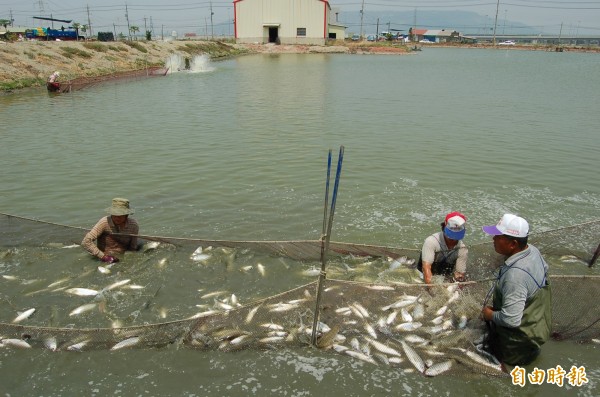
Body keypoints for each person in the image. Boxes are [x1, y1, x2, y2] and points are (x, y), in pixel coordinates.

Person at [481, 213, 552, 366]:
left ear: (513, 244)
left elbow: (511, 320)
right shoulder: (532, 251)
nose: (493, 239)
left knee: (502, 369)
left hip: (517, 343)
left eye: (498, 237)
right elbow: (546, 270)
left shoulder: (516, 277)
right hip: (537, 328)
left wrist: (490, 314)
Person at [82, 198, 139, 263]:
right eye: (114, 215)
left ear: (126, 215)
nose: (117, 218)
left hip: (122, 257)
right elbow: (86, 242)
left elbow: (133, 247)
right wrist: (104, 257)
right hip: (103, 257)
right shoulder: (104, 222)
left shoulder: (133, 225)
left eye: (120, 215)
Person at [417, 211, 468, 284]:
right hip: (423, 274)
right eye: (451, 235)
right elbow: (426, 268)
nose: (453, 239)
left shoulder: (462, 249)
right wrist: (433, 290)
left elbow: (459, 274)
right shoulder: (431, 242)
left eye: (456, 236)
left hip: (445, 276)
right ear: (445, 226)